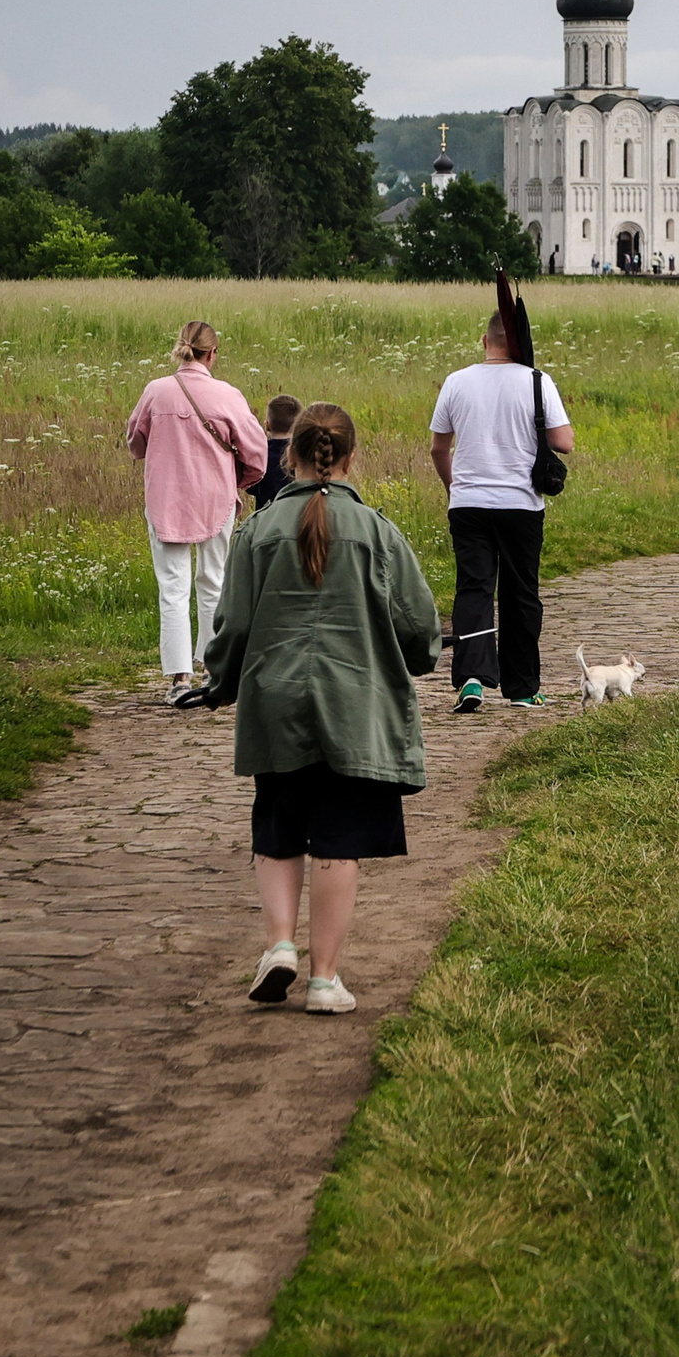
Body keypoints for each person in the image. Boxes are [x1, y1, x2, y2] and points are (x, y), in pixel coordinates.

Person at [202, 404, 437, 1017]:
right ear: (350, 457)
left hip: (275, 702)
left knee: (278, 824)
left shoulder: (257, 531)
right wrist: (417, 657)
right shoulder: (379, 532)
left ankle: (279, 946)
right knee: (339, 837)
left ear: (292, 456)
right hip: (354, 706)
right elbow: (418, 626)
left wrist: (221, 682)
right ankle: (325, 980)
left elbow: (234, 626)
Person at [431, 277, 573, 712]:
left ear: (484, 341)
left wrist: (454, 486)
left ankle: (472, 679)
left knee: (473, 589)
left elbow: (439, 447)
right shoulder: (536, 381)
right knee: (520, 593)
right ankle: (523, 686)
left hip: (469, 503)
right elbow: (564, 442)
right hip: (521, 504)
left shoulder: (456, 382)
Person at [127, 322, 266, 703]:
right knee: (214, 582)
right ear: (212, 354)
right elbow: (256, 452)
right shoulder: (227, 395)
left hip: (165, 500)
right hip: (216, 499)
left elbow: (134, 441)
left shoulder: (156, 391)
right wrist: (240, 480)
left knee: (172, 588)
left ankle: (178, 678)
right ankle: (212, 670)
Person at [250, 394, 303, 510]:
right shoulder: (304, 455)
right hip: (297, 519)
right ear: (299, 426)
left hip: (265, 520)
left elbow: (250, 485)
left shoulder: (260, 454)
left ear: (267, 425)